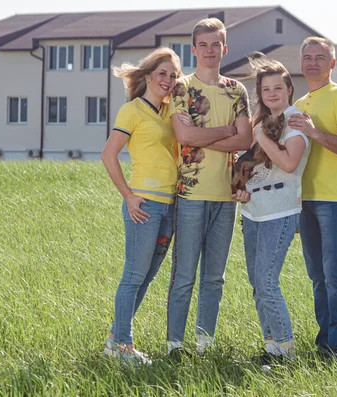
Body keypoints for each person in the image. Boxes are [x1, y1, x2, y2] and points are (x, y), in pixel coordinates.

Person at [166, 17, 252, 358]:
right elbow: (184, 137)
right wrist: (227, 131)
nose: (209, 50)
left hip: (225, 196)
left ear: (224, 48)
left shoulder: (236, 90)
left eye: (215, 44)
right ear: (194, 49)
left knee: (214, 278)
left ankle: (204, 345)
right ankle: (174, 345)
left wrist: (219, 135)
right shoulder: (181, 88)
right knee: (184, 275)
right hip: (189, 194)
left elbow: (245, 139)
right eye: (203, 45)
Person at [101, 47, 182, 366]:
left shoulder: (172, 111)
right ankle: (123, 346)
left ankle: (114, 340)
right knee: (133, 276)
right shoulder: (133, 110)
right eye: (162, 73)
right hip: (144, 206)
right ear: (148, 76)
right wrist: (129, 196)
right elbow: (109, 155)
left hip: (169, 208)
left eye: (174, 75)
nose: (168, 80)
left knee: (146, 278)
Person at [287, 37, 337, 360]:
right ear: (301, 63)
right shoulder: (299, 103)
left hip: (335, 201)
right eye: (307, 57)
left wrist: (315, 132)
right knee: (317, 276)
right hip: (305, 201)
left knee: (335, 276)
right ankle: (324, 343)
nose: (313, 62)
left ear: (332, 64)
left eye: (321, 57)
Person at [232, 54, 311, 365]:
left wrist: (261, 137)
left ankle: (288, 353)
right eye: (266, 90)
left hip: (280, 212)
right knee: (256, 282)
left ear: (289, 89)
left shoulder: (295, 122)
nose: (273, 94)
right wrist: (242, 189)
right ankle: (272, 349)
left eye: (278, 87)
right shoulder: (260, 123)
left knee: (267, 281)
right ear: (260, 94)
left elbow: (289, 164)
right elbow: (253, 166)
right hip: (254, 211)